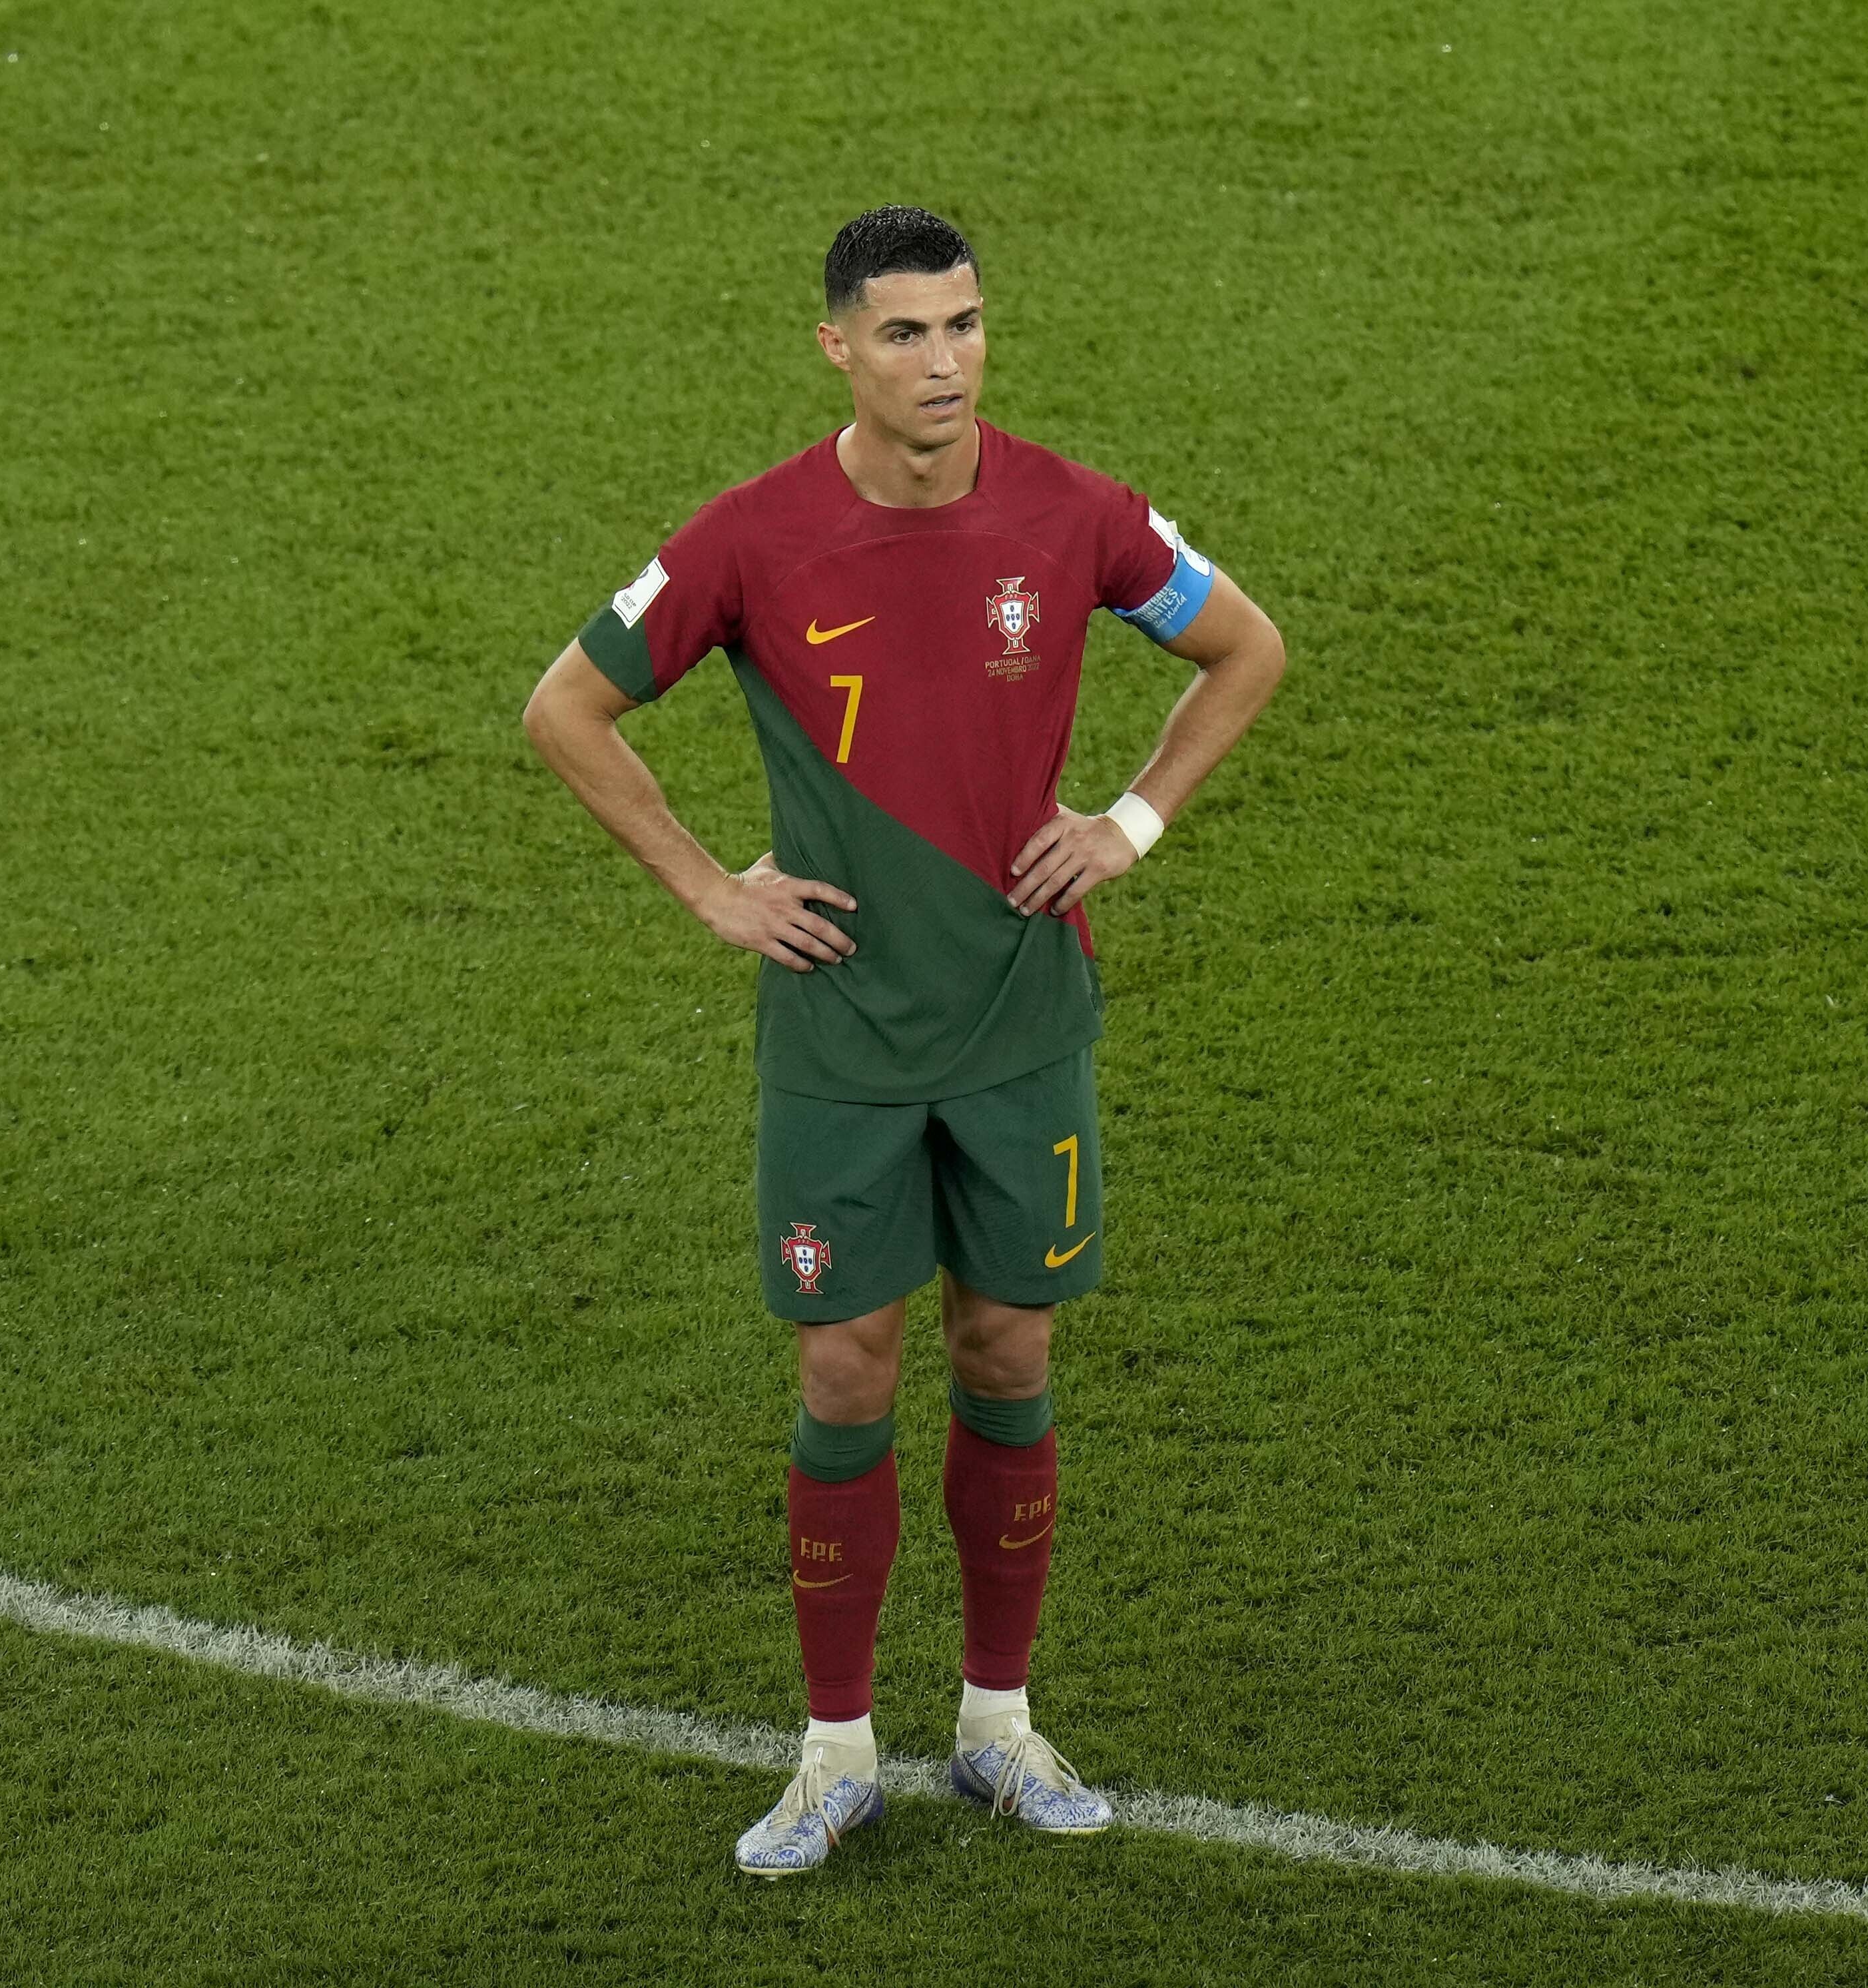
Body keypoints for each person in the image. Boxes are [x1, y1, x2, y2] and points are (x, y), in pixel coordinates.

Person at [522, 204, 1283, 1877]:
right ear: (837, 350)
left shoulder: (1069, 510)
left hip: (1022, 1020)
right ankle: (835, 1751)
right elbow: (563, 707)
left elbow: (1247, 646)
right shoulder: (753, 535)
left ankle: (999, 1728)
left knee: (1009, 1350)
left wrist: (1131, 824)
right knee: (846, 1364)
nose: (943, 363)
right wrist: (712, 887)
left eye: (964, 326)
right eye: (904, 334)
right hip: (845, 1036)